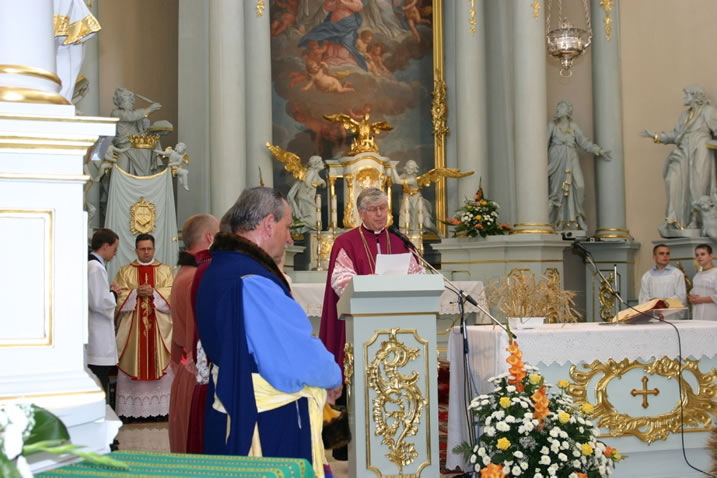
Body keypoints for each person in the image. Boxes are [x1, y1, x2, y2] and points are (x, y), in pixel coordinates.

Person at [195, 187, 341, 476]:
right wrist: (332, 376)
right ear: (268, 223)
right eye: (287, 227)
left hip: (231, 403)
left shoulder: (219, 268)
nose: (289, 239)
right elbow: (293, 355)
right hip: (265, 420)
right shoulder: (253, 279)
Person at [168, 215, 219, 453]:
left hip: (184, 374)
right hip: (197, 376)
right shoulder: (197, 277)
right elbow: (197, 336)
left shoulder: (183, 273)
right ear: (210, 237)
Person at [641, 85, 717, 233]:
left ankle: (696, 220)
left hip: (700, 150)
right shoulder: (684, 115)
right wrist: (656, 136)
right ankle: (675, 220)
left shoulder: (708, 111)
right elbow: (676, 135)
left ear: (695, 96)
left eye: (686, 94)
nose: (684, 97)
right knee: (673, 180)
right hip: (683, 152)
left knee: (698, 186)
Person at [114, 234, 174, 418]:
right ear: (136, 250)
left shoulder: (165, 271)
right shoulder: (125, 271)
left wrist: (155, 293)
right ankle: (131, 412)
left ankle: (162, 411)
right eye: (142, 249)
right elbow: (116, 297)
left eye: (149, 249)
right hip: (133, 333)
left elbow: (173, 294)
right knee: (134, 360)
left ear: (154, 249)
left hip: (159, 330)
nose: (146, 252)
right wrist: (134, 293)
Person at [547, 100, 611, 231]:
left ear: (568, 111)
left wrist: (599, 150)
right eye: (558, 107)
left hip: (572, 159)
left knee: (579, 186)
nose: (558, 109)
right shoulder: (552, 126)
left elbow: (584, 143)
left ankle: (577, 217)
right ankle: (559, 221)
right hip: (557, 162)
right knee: (558, 192)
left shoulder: (573, 126)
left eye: (561, 107)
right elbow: (542, 144)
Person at [87, 228, 121, 405]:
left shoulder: (94, 266)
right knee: (100, 381)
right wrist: (114, 293)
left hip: (98, 332)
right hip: (97, 336)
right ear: (105, 246)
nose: (115, 254)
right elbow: (98, 302)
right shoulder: (95, 268)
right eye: (114, 249)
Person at [110, 87, 162, 176]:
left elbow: (140, 127)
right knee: (123, 170)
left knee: (152, 144)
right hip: (125, 143)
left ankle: (145, 177)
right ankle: (142, 176)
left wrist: (145, 125)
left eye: (131, 97)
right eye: (127, 96)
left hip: (135, 142)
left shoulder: (134, 113)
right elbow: (131, 117)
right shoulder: (116, 113)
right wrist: (149, 109)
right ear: (120, 99)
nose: (131, 99)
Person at [287, 155, 326, 232]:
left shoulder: (313, 172)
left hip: (306, 198)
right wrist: (315, 184)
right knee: (312, 219)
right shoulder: (311, 172)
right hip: (305, 198)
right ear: (316, 164)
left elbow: (318, 180)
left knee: (312, 219)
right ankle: (296, 226)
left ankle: (298, 225)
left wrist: (322, 182)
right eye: (321, 162)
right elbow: (307, 182)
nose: (323, 163)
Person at [689, 244, 717, 321]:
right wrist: (692, 298)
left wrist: (701, 300)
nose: (699, 257)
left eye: (702, 254)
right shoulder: (697, 276)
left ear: (711, 256)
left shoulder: (715, 273)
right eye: (697, 255)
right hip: (697, 314)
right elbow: (693, 293)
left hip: (712, 314)